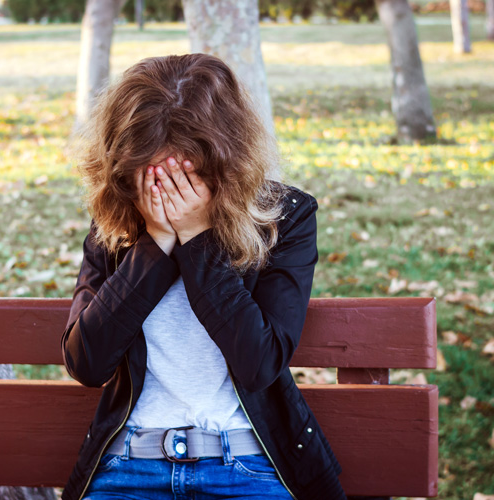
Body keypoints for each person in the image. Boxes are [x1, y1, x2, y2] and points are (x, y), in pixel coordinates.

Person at [61, 53, 346, 500]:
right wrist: (154, 245)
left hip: (249, 465)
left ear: (227, 165)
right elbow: (87, 363)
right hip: (130, 466)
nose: (169, 193)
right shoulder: (116, 226)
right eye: (155, 176)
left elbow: (259, 364)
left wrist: (197, 240)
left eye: (185, 176)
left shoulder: (283, 219)